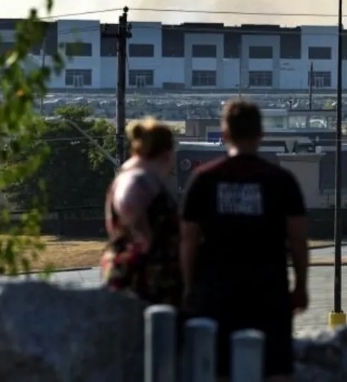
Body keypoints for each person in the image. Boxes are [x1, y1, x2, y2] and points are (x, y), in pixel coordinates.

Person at [180, 99, 309, 382]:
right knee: (275, 371)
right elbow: (298, 241)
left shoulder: (203, 180)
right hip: (268, 294)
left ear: (225, 135)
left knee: (220, 371)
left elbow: (188, 240)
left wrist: (189, 287)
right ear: (261, 135)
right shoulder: (281, 181)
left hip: (216, 294)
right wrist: (300, 285)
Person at [101, 117, 183, 306]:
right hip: (143, 284)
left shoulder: (134, 175)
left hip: (143, 280)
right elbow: (129, 203)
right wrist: (144, 239)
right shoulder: (137, 179)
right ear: (167, 154)